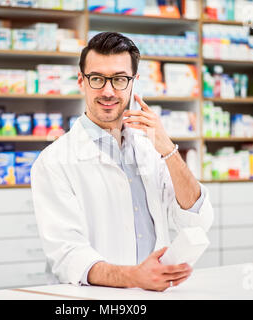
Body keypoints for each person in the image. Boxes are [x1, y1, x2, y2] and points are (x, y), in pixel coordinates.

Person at [31, 32, 214, 292]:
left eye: (118, 79)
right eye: (97, 79)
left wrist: (168, 149)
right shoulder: (54, 161)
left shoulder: (150, 149)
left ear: (133, 82)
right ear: (82, 82)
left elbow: (196, 221)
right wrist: (134, 277)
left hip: (152, 293)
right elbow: (67, 256)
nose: (108, 91)